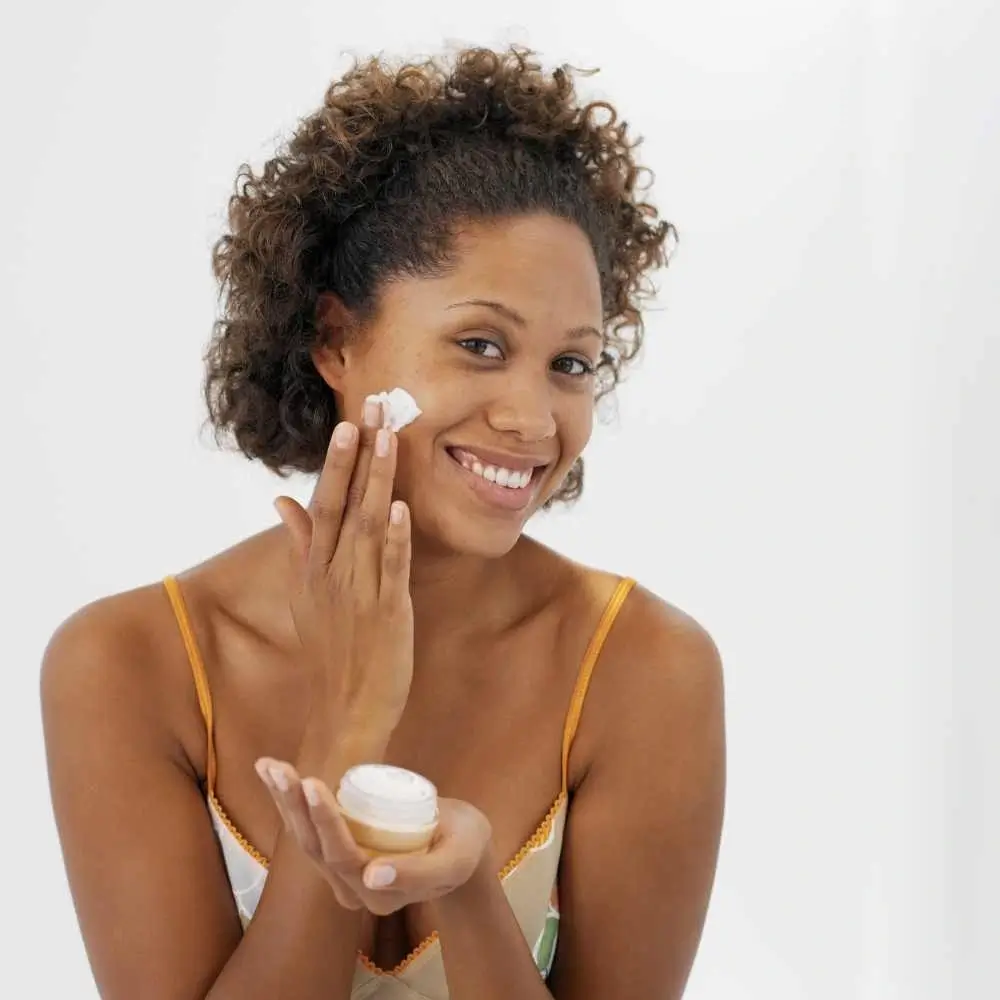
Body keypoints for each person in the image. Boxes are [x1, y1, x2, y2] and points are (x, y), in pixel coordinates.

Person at [41, 45, 726, 1000]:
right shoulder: (128, 664)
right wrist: (345, 731)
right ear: (335, 341)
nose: (535, 419)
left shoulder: (644, 669)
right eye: (480, 345)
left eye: (571, 364)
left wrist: (473, 893)